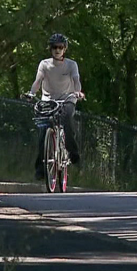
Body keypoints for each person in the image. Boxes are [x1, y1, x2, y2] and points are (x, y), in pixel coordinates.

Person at [23, 33, 84, 181]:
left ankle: (72, 152)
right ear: (50, 49)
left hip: (67, 99)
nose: (57, 50)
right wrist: (31, 93)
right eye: (54, 47)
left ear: (65, 49)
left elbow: (76, 80)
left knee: (67, 119)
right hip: (48, 100)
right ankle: (40, 169)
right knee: (44, 131)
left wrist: (77, 92)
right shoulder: (44, 64)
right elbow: (38, 80)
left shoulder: (71, 65)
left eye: (60, 47)